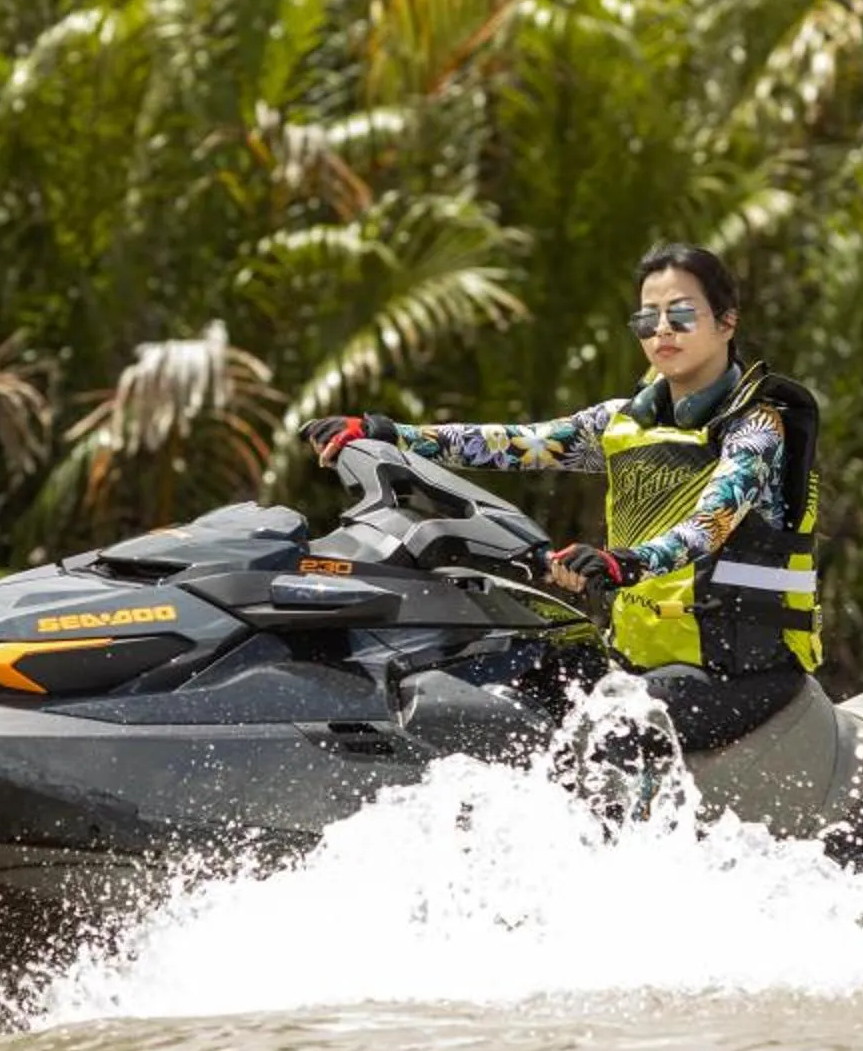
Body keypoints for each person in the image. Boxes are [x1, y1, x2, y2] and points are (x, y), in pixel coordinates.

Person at [303, 243, 820, 754]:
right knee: (511, 690)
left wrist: (621, 564)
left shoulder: (756, 428)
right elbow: (513, 444)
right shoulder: (621, 422)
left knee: (611, 734)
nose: (662, 329)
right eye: (648, 318)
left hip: (738, 672)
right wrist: (386, 433)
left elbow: (711, 524)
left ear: (726, 323)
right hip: (639, 659)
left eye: (681, 314)